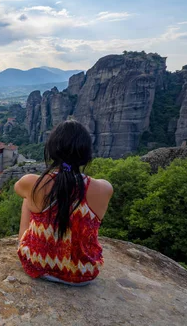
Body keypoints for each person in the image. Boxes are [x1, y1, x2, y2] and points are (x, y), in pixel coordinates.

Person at [15, 120, 113, 286]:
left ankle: (28, 244)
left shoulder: (33, 183)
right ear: (86, 154)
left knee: (28, 198)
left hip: (37, 263)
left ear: (52, 150)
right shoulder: (104, 189)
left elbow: (18, 189)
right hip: (84, 273)